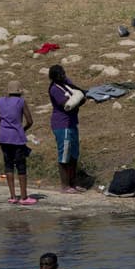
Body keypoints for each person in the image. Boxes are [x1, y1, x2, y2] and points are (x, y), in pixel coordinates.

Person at [47, 64, 86, 193]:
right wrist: (79, 100)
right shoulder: (54, 89)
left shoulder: (66, 83)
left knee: (74, 154)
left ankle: (73, 183)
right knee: (64, 155)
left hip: (72, 123)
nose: (63, 76)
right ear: (54, 77)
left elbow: (77, 91)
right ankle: (65, 185)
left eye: (64, 73)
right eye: (60, 75)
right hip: (62, 124)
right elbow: (67, 105)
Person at [0, 81, 35, 205]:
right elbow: (30, 121)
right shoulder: (21, 102)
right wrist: (22, 129)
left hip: (3, 137)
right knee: (21, 166)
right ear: (19, 91)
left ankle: (13, 196)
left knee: (8, 165)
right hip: (17, 137)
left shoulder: (1, 101)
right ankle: (24, 197)